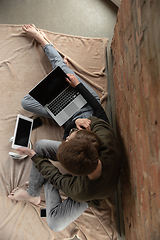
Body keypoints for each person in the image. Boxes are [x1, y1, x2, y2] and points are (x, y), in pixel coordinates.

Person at [8, 25, 121, 232]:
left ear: (74, 172)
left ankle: (35, 194)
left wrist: (36, 153)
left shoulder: (79, 190)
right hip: (84, 105)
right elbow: (97, 110)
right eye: (71, 138)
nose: (66, 138)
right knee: (57, 77)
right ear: (89, 138)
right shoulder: (104, 135)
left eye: (66, 139)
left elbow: (56, 177)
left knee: (55, 223)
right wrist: (77, 86)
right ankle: (43, 41)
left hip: (86, 186)